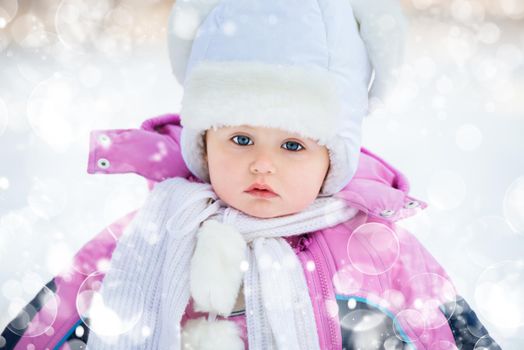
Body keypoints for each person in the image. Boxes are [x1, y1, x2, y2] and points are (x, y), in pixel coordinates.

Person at [1, 0, 502, 349]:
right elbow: (58, 321)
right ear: (203, 142)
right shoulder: (153, 238)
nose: (263, 163)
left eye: (292, 145)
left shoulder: (373, 248)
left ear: (334, 157)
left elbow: (445, 332)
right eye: (240, 140)